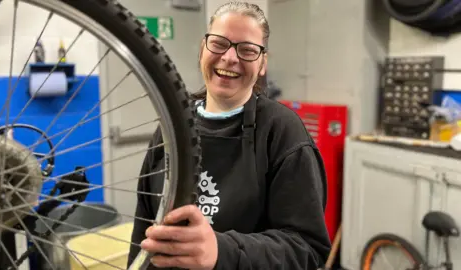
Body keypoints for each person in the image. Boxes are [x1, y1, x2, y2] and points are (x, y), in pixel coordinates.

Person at [128, 2, 332, 269]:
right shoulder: (171, 126)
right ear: (203, 50)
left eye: (247, 50)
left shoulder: (282, 131)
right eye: (219, 43)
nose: (230, 57)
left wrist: (221, 251)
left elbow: (307, 250)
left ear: (262, 64)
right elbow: (144, 228)